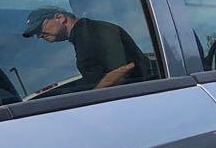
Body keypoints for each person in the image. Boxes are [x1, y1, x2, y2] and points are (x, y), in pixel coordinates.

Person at [22, 7, 153, 91]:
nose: (39, 35)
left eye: (40, 28)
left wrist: (94, 96)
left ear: (60, 18)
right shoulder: (84, 35)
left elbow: (125, 70)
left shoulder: (93, 33)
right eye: (36, 33)